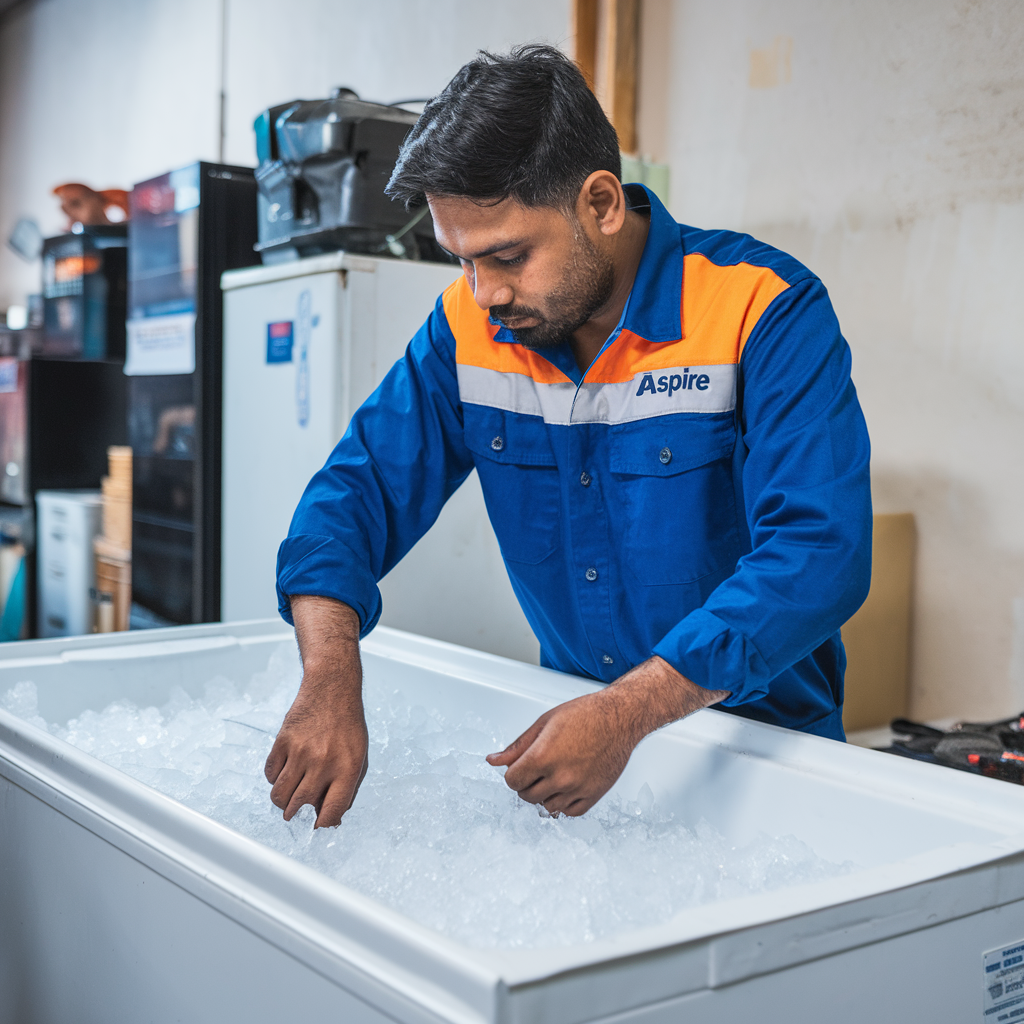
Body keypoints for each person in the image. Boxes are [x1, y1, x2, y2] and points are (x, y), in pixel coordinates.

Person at [265, 45, 872, 829]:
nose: (485, 293)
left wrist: (626, 714)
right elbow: (353, 495)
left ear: (601, 203)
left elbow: (820, 555)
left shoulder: (764, 308)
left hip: (764, 765)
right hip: (574, 749)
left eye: (508, 255)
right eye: (462, 263)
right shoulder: (467, 327)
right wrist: (330, 673)